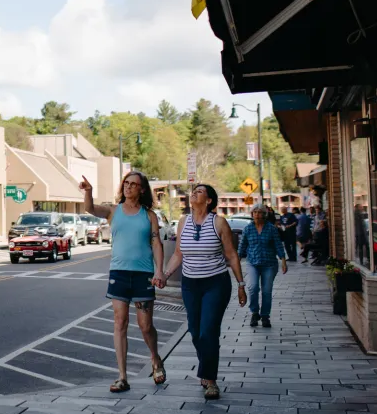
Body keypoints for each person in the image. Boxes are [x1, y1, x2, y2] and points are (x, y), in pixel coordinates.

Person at [79, 171, 167, 393]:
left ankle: (155, 359)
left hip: (143, 275)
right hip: (118, 273)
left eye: (133, 184)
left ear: (142, 189)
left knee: (146, 326)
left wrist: (160, 271)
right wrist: (89, 192)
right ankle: (122, 376)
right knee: (120, 322)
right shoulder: (113, 211)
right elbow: (90, 208)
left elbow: (156, 244)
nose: (128, 187)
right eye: (126, 183)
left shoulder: (149, 216)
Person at [161, 184, 246, 400]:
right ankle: (206, 366)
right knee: (195, 332)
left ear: (209, 201)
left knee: (208, 331)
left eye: (200, 192)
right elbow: (178, 253)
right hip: (190, 285)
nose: (194, 193)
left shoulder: (219, 222)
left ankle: (210, 380)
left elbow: (232, 255)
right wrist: (165, 274)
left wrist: (241, 285)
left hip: (215, 284)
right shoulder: (183, 222)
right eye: (193, 191)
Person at [238, 204, 288, 328]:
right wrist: (237, 261)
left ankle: (265, 315)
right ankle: (255, 312)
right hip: (252, 263)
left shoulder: (271, 229)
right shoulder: (248, 229)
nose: (257, 215)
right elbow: (242, 246)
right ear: (252, 214)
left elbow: (278, 245)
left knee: (266, 291)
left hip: (269, 264)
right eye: (255, 212)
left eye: (260, 212)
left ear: (264, 214)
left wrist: (283, 260)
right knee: (253, 288)